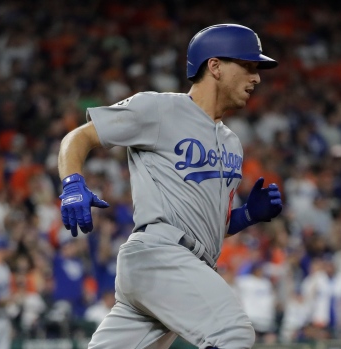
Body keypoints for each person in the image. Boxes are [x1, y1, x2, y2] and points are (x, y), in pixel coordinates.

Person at [58, 24, 283, 349]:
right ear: (215, 66)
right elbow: (78, 137)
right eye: (248, 66)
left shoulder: (233, 143)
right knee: (233, 333)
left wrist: (245, 216)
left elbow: (207, 227)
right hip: (161, 254)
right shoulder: (160, 109)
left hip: (180, 269)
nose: (257, 77)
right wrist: (72, 182)